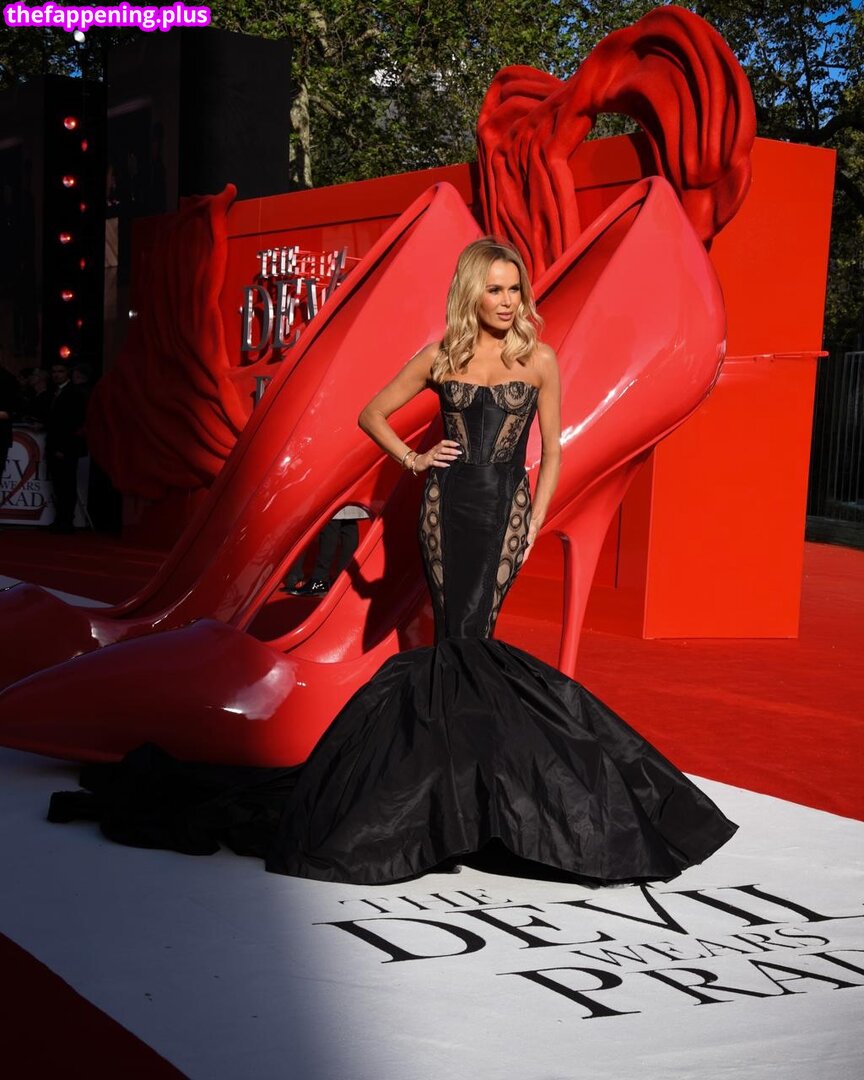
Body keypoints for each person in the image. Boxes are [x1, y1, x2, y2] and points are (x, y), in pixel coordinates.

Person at [50, 239, 737, 885]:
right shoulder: (441, 357)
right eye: (495, 290)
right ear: (472, 294)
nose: (507, 301)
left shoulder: (540, 359)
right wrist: (413, 458)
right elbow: (372, 413)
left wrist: (533, 521)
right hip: (446, 507)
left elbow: (553, 450)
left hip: (505, 509)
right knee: (458, 642)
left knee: (474, 644)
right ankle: (458, 797)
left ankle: (470, 792)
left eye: (514, 290)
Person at [45, 362, 88, 533]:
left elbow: (72, 423)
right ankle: (61, 519)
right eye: (54, 371)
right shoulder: (56, 392)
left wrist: (63, 448)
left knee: (66, 485)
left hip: (66, 447)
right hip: (56, 446)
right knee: (58, 485)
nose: (56, 374)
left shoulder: (73, 393)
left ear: (67, 373)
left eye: (60, 371)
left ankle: (66, 521)